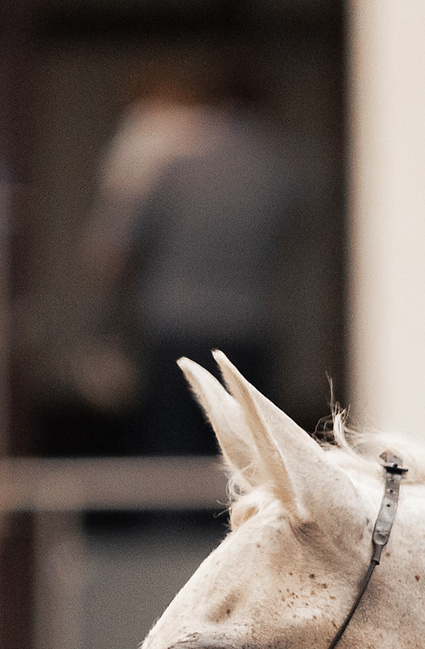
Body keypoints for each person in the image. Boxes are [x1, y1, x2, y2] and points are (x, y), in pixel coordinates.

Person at [75, 52, 299, 457]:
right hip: (250, 324)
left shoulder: (168, 166)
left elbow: (110, 254)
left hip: (175, 327)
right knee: (252, 463)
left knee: (171, 460)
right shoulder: (274, 162)